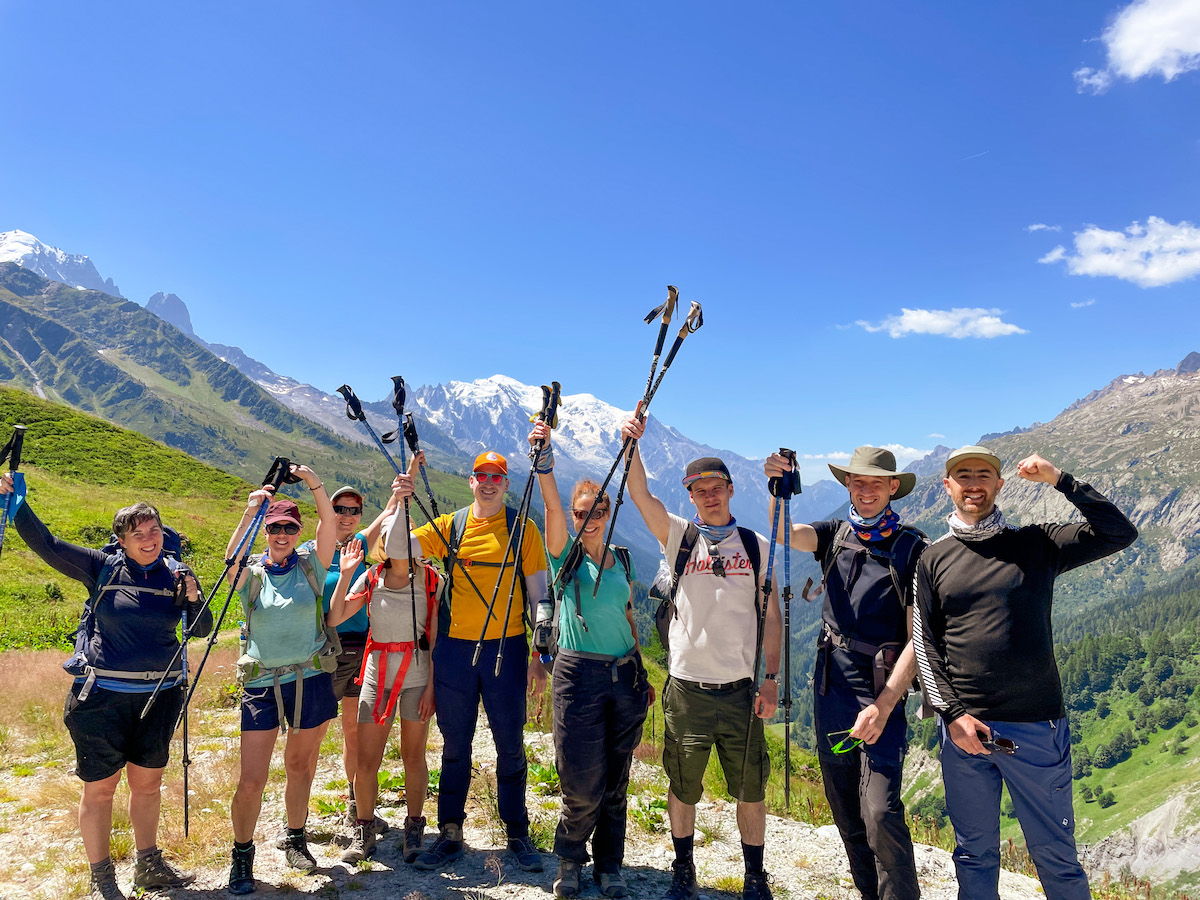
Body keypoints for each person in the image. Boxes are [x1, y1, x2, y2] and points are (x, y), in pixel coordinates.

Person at [914, 446, 1137, 900]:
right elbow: (924, 644)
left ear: (1000, 484)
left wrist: (1059, 478)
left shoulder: (1038, 544)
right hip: (964, 729)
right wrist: (953, 715)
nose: (973, 483)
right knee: (974, 854)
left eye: (983, 475)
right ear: (948, 486)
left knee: (1056, 856)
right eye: (962, 475)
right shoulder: (932, 559)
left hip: (1036, 726)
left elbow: (1119, 532)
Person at [0, 471, 210, 900]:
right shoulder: (101, 567)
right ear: (122, 540)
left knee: (148, 783)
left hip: (160, 696)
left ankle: (148, 866)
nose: (148, 539)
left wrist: (191, 595)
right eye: (138, 534)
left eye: (153, 530)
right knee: (100, 789)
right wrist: (17, 503)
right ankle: (102, 878)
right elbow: (49, 546)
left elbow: (201, 628)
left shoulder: (176, 573)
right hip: (101, 699)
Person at [620, 413, 780, 900]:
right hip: (686, 688)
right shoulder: (679, 537)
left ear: (731, 489)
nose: (708, 496)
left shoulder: (755, 546)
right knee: (683, 784)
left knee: (750, 788)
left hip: (739, 690)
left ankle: (755, 876)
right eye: (698, 490)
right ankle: (683, 868)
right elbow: (641, 496)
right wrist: (632, 446)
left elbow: (773, 616)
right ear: (690, 496)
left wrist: (771, 678)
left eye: (715, 487)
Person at [764, 447, 925, 900]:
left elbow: (919, 638)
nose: (866, 489)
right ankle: (869, 892)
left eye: (876, 482)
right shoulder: (835, 534)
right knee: (845, 805)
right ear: (848, 486)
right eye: (858, 482)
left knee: (880, 809)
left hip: (881, 690)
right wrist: (776, 487)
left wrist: (885, 704)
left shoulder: (911, 548)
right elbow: (783, 533)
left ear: (893, 487)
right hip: (830, 685)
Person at [385, 449, 550, 873]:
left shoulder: (522, 529)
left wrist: (538, 657)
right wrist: (400, 502)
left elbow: (539, 597)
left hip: (507, 648)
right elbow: (396, 548)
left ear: (507, 483)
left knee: (510, 746)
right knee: (455, 746)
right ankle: (451, 832)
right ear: (471, 481)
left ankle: (517, 833)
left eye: (497, 476)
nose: (489, 482)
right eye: (481, 475)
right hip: (455, 652)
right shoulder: (452, 525)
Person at [528, 421, 653, 899]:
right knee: (581, 779)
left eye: (598, 509)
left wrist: (641, 670)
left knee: (617, 778)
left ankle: (609, 866)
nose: (590, 518)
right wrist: (545, 462)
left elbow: (627, 615)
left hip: (625, 675)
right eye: (583, 511)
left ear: (608, 510)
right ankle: (569, 859)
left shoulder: (622, 558)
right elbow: (552, 507)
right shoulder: (564, 557)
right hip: (577, 674)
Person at [225, 467, 337, 895]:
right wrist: (250, 512)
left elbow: (329, 524)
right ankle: (242, 856)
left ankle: (295, 838)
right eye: (275, 527)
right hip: (259, 682)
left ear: (297, 530)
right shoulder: (251, 574)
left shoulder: (312, 564)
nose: (282, 534)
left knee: (298, 766)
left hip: (308, 677)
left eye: (290, 527)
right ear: (266, 530)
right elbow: (230, 560)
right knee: (251, 778)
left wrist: (313, 482)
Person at [328, 535, 441, 865]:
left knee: (414, 755)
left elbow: (435, 638)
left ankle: (414, 828)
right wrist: (347, 574)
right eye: (393, 539)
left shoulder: (432, 579)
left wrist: (433, 688)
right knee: (366, 761)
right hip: (377, 678)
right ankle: (364, 830)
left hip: (418, 678)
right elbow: (335, 618)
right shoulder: (371, 576)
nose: (400, 545)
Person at [304, 485, 399, 838]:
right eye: (339, 509)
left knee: (354, 733)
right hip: (323, 649)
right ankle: (297, 818)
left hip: (361, 650)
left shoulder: (359, 544)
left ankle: (356, 806)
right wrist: (316, 485)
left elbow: (390, 509)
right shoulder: (316, 549)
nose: (346, 515)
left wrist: (408, 479)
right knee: (311, 735)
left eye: (353, 510)